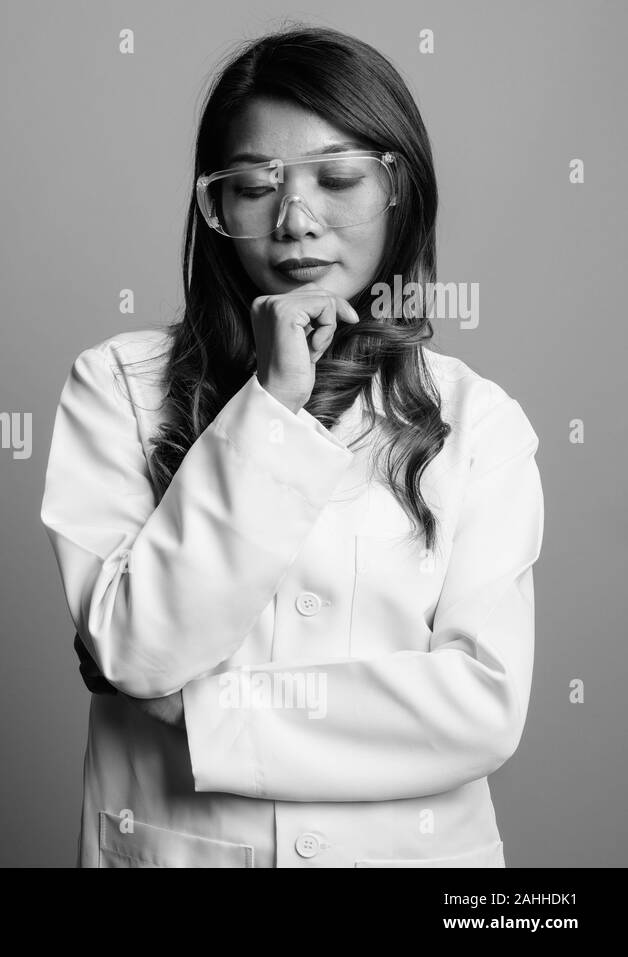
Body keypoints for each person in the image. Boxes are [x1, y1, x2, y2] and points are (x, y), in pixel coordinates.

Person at [39, 25, 543, 867]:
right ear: (217, 211)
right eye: (250, 188)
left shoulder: (478, 421)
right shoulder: (118, 387)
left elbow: (481, 706)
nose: (296, 221)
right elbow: (137, 646)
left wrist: (207, 717)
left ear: (399, 192)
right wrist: (272, 402)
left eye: (338, 178)